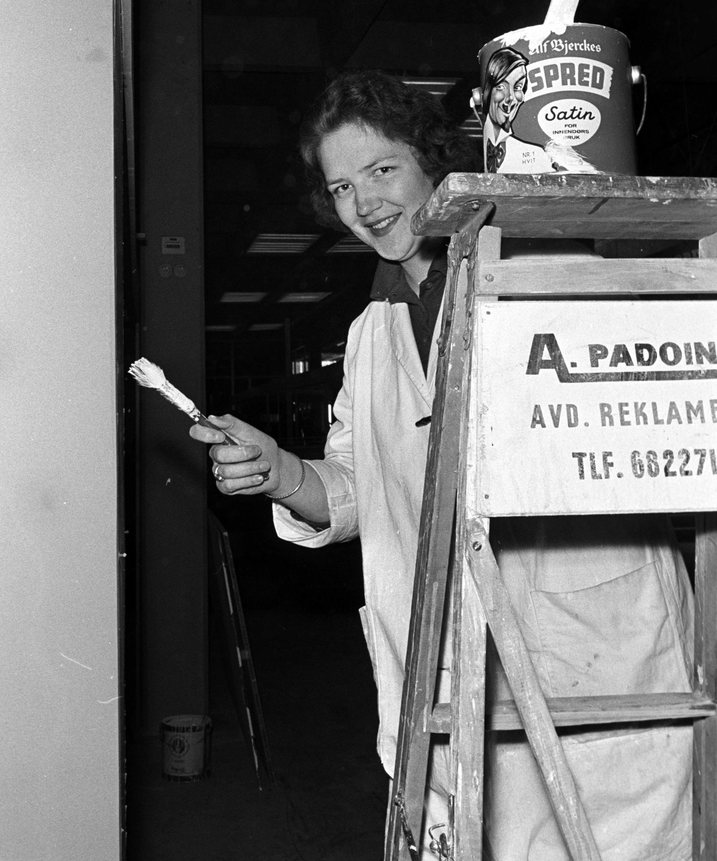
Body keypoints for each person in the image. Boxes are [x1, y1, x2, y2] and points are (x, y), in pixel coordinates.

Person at [191, 70, 693, 860]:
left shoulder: (547, 271)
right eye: (343, 186)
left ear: (433, 163)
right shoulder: (371, 332)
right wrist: (284, 472)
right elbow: (355, 485)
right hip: (440, 662)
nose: (365, 202)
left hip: (591, 648)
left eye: (382, 170)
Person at [481, 46, 597, 175]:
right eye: (501, 86)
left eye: (518, 87)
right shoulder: (485, 150)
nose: (511, 98)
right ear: (488, 90)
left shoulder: (537, 155)